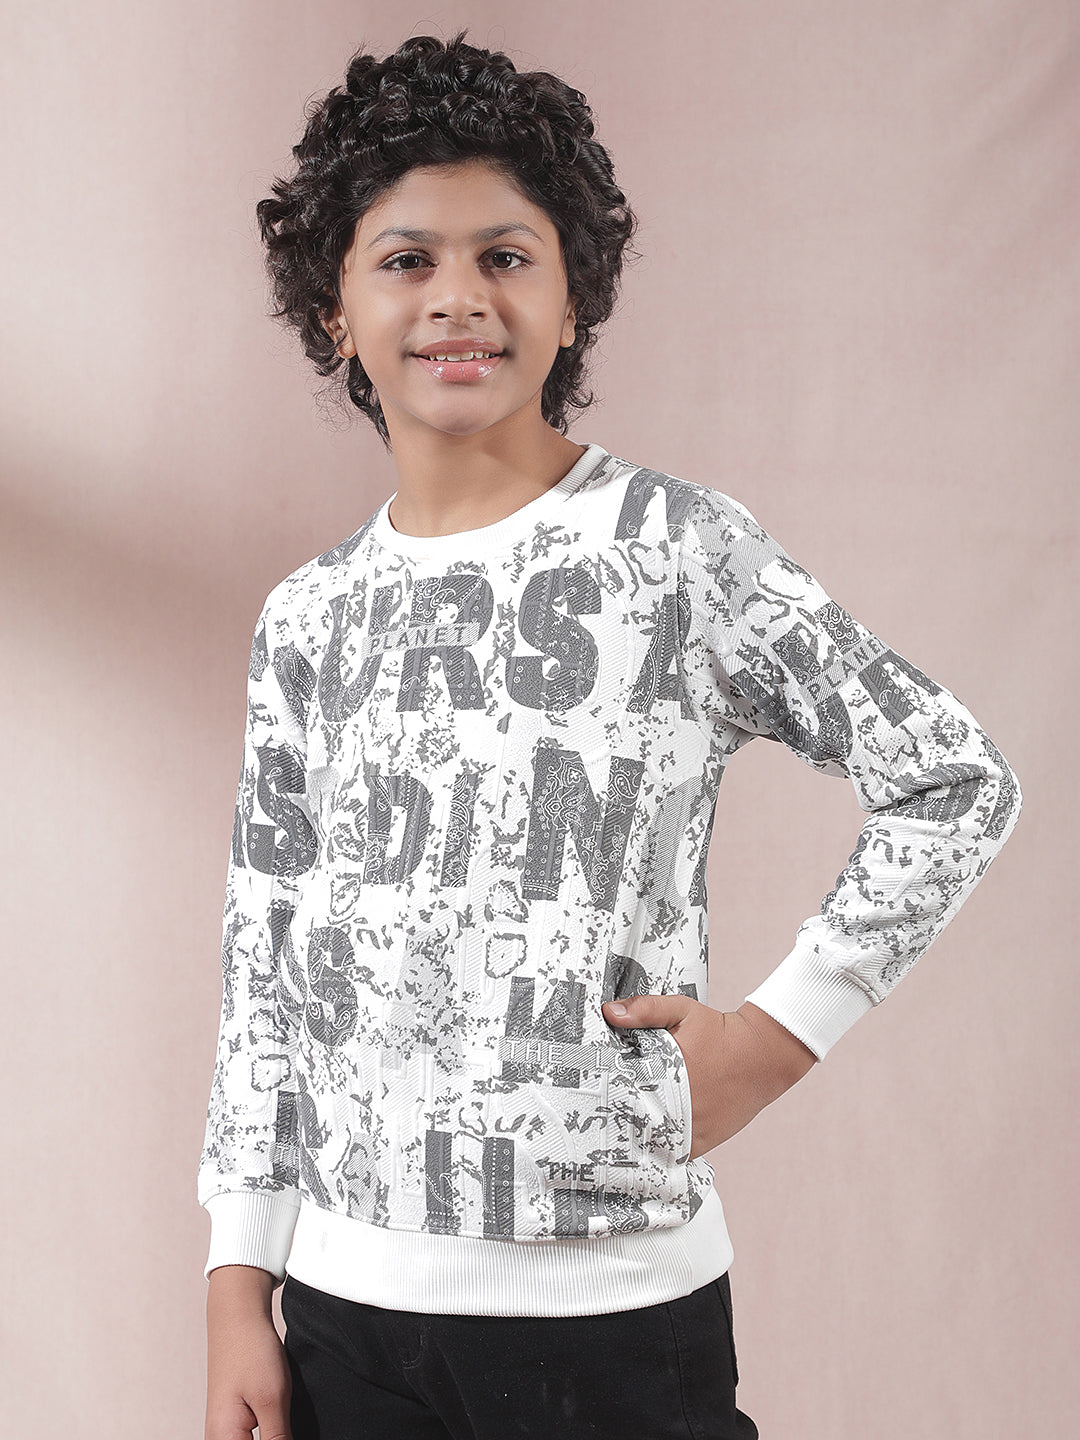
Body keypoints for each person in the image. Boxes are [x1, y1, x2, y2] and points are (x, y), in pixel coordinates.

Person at [198, 30, 1022, 1440]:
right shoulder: (308, 617)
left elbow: (953, 781)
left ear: (573, 297)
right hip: (342, 1316)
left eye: (506, 256)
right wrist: (239, 1280)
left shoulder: (678, 551)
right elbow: (266, 955)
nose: (458, 297)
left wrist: (774, 1039)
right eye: (406, 259)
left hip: (610, 1316)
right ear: (334, 310)